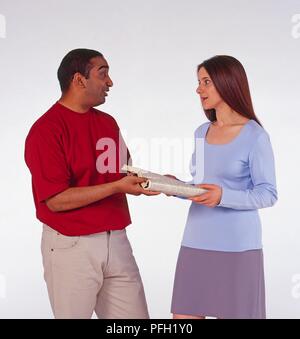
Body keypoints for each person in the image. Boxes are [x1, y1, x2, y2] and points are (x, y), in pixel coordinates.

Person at [24, 48, 158, 319]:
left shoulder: (107, 124)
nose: (110, 82)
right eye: (103, 73)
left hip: (116, 241)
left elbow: (123, 174)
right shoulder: (46, 130)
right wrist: (116, 188)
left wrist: (163, 182)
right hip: (71, 247)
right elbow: (56, 200)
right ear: (79, 80)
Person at [171, 55, 277, 319]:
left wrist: (223, 197)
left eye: (206, 82)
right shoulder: (200, 133)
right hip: (195, 242)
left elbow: (268, 193)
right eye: (198, 82)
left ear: (227, 82)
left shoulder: (255, 136)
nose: (199, 89)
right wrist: (173, 186)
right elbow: (201, 186)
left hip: (237, 247)